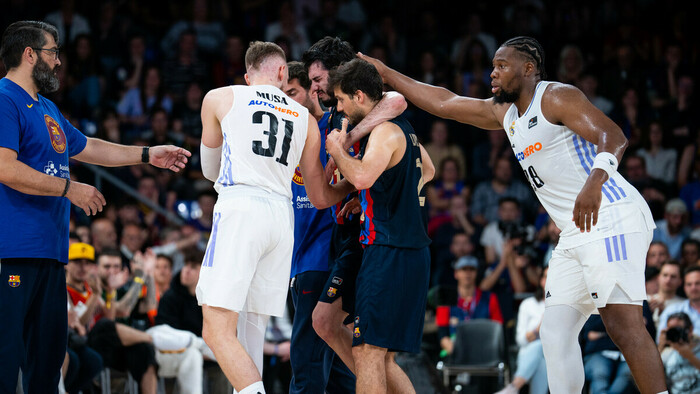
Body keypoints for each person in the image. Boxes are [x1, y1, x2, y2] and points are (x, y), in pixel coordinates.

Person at [359, 36, 668, 394]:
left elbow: (613, 135)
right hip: (574, 229)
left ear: (529, 69)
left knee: (623, 324)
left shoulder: (555, 96)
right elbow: (445, 102)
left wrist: (594, 182)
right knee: (554, 331)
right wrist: (387, 74)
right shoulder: (504, 113)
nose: (493, 73)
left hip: (610, 213)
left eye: (502, 66)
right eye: (493, 66)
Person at [0, 20, 190, 393]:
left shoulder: (47, 107)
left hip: (52, 255)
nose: (58, 62)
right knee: (6, 360)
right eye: (53, 51)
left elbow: (90, 146)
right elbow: (5, 167)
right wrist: (69, 188)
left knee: (48, 363)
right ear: (29, 54)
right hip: (13, 252)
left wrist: (149, 154)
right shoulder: (4, 98)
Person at [196, 41, 353, 394]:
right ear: (283, 72)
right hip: (282, 220)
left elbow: (209, 170)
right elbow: (320, 196)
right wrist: (353, 185)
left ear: (248, 75)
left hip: (241, 207)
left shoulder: (222, 97)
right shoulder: (307, 120)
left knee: (215, 327)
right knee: (253, 323)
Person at [325, 57, 435, 394]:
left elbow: (360, 175)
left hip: (388, 250)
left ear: (359, 97)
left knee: (368, 352)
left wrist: (337, 149)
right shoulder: (405, 130)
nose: (339, 107)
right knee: (382, 358)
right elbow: (426, 170)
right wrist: (374, 195)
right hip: (411, 252)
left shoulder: (385, 131)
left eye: (341, 99)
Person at [302, 36, 406, 377]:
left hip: (378, 237)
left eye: (318, 80)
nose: (315, 88)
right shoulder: (334, 114)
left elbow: (397, 99)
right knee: (337, 331)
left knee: (370, 350)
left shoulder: (367, 108)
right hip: (349, 233)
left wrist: (345, 141)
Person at [283, 60, 355, 393]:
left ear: (313, 90)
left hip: (325, 256)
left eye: (292, 92)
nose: (287, 101)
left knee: (307, 366)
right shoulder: (286, 135)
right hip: (301, 258)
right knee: (338, 369)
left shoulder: (337, 126)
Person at [495, 268, 548, 394]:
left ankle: (513, 387)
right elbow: (521, 341)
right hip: (528, 353)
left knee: (543, 352)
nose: (550, 280)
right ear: (541, 280)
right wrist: (538, 329)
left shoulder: (564, 307)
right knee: (540, 349)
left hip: (556, 354)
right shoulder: (528, 304)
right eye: (546, 276)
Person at [658, 312, 700, 393]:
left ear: (690, 329)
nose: (675, 334)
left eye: (678, 329)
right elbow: (650, 377)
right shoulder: (665, 354)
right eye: (672, 330)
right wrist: (660, 347)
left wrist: (690, 357)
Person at [658, 266, 700, 340]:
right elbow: (660, 342)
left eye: (697, 283)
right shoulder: (671, 310)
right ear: (684, 287)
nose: (693, 288)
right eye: (689, 284)